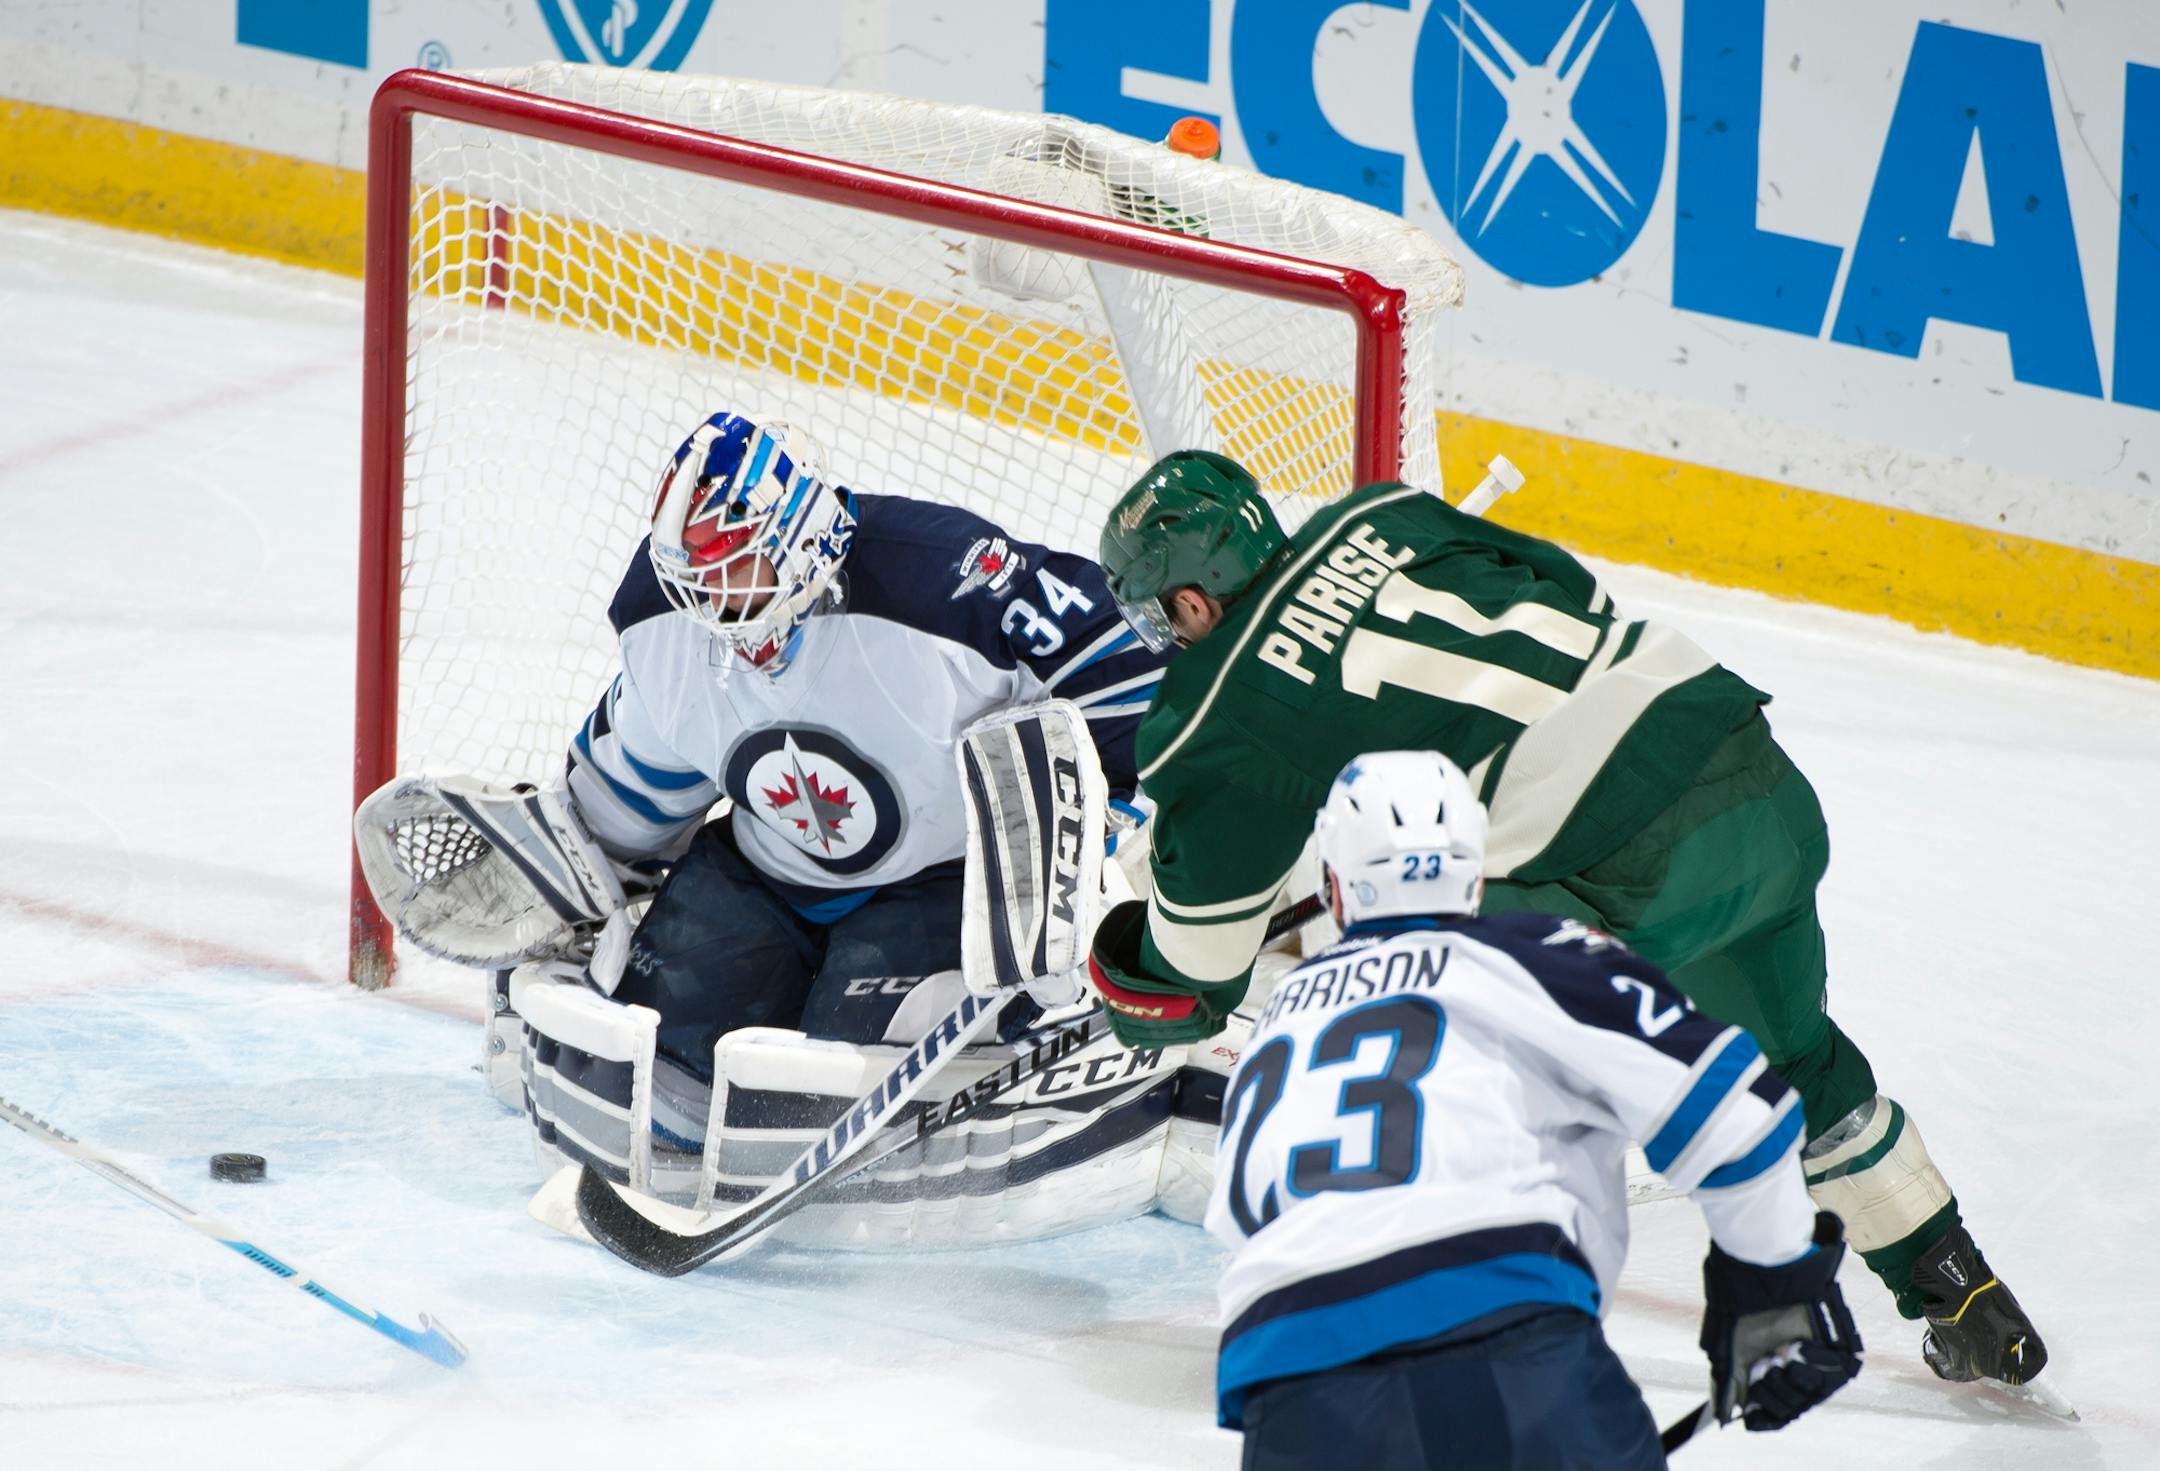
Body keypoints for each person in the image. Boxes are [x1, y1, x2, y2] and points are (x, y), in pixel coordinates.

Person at [1086, 450, 2047, 1390]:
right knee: (1795, 1065)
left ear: (1190, 601)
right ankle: (1959, 1290)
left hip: (1620, 868)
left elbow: (1199, 963)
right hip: (1742, 765)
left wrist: (1135, 973)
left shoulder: (1208, 713)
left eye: (1154, 614)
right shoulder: (1379, 514)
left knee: (1382, 996)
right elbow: (1568, 586)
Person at [400, 410, 1183, 1240]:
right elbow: (634, 784)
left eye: (732, 568)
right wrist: (571, 868)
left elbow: (1136, 666)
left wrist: (1108, 807)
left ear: (802, 541)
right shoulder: (668, 627)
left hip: (945, 880)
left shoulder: (944, 583)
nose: (707, 599)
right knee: (658, 1044)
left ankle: (1059, 1010)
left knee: (834, 1072)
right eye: (690, 575)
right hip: (764, 870)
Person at [1206, 750, 1861, 1468]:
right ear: (1476, 865)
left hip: (1290, 1382)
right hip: (1501, 1346)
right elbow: (1738, 1117)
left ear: (1334, 883)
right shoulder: (1533, 954)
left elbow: (1240, 1221)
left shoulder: (1280, 1018)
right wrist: (1773, 1290)